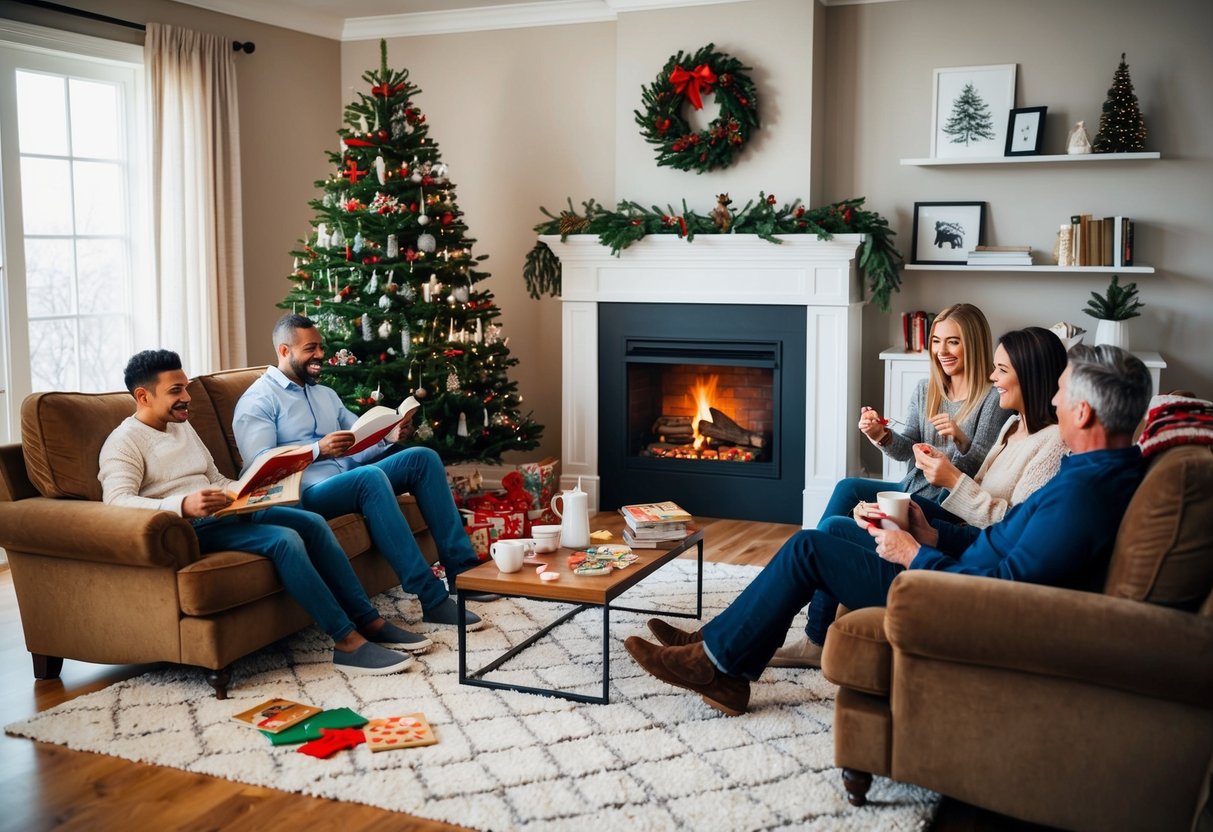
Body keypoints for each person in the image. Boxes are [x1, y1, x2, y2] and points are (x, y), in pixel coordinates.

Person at [625, 345, 1152, 716]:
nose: (1053, 402)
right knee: (824, 536)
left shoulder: (1083, 495)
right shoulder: (1095, 473)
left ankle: (718, 664)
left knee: (810, 546)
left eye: (1060, 394)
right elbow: (1009, 541)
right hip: (952, 571)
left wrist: (912, 556)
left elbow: (1007, 591)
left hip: (951, 601)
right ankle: (719, 650)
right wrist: (932, 535)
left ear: (1082, 411)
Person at [98, 350, 427, 676]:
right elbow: (116, 502)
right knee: (284, 541)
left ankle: (369, 620)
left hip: (227, 510)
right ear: (143, 396)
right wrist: (182, 505)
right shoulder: (124, 442)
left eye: (185, 387)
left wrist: (247, 492)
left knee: (312, 523)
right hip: (193, 528)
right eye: (175, 391)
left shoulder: (181, 425)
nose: (186, 397)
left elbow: (214, 477)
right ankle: (347, 642)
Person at [771, 327, 1071, 667]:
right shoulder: (1011, 425)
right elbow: (972, 480)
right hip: (950, 516)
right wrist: (882, 435)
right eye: (936, 340)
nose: (993, 376)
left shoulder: (1046, 441)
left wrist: (952, 473)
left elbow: (1011, 527)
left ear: (1030, 376)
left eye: (1001, 370)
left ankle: (805, 626)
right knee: (836, 517)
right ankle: (804, 623)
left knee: (821, 536)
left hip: (962, 538)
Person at [233, 314, 488, 631]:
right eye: (310, 348)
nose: (320, 355)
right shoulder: (258, 400)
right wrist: (316, 450)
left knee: (422, 458)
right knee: (369, 478)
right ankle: (432, 599)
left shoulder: (325, 394)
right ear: (284, 351)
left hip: (351, 478)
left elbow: (357, 441)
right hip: (306, 494)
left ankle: (462, 572)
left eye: (321, 347)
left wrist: (387, 436)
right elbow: (261, 466)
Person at [820, 303, 1012, 520]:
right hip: (911, 489)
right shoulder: (925, 389)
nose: (942, 351)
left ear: (974, 345)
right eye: (936, 341)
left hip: (947, 503)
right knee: (847, 488)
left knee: (838, 524)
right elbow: (906, 450)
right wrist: (879, 435)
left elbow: (981, 470)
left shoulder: (994, 398)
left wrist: (961, 439)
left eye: (953, 342)